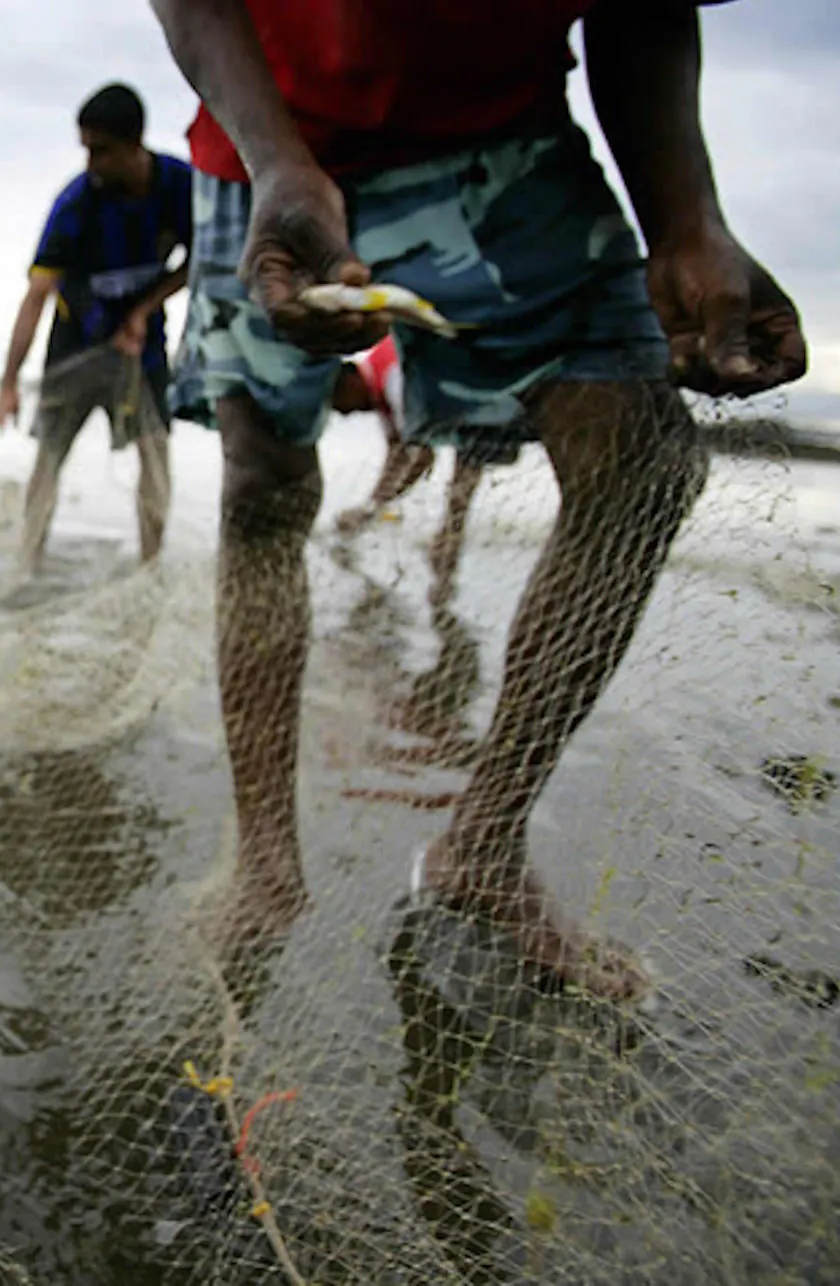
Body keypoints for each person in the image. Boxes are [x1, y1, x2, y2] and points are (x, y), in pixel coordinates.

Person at [149, 0, 805, 999]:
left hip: (502, 136)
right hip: (264, 137)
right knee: (264, 484)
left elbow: (648, 8)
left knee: (643, 457)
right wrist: (278, 155)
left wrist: (685, 218)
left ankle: (484, 844)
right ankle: (265, 861)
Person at [0, 82, 193, 576]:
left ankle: (150, 571)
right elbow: (36, 295)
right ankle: (27, 564)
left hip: (142, 351)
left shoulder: (178, 187)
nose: (91, 163)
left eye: (101, 151)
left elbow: (199, 261)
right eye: (85, 150)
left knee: (155, 454)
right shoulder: (77, 203)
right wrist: (8, 384)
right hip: (74, 347)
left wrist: (143, 312)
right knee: (48, 458)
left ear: (135, 143)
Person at [330, 336, 489, 610]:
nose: (343, 414)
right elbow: (396, 451)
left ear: (350, 381)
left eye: (336, 402)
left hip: (475, 385)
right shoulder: (378, 385)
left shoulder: (393, 376)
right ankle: (447, 551)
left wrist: (372, 509)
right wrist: (368, 509)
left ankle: (449, 550)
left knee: (467, 466)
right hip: (456, 396)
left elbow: (422, 458)